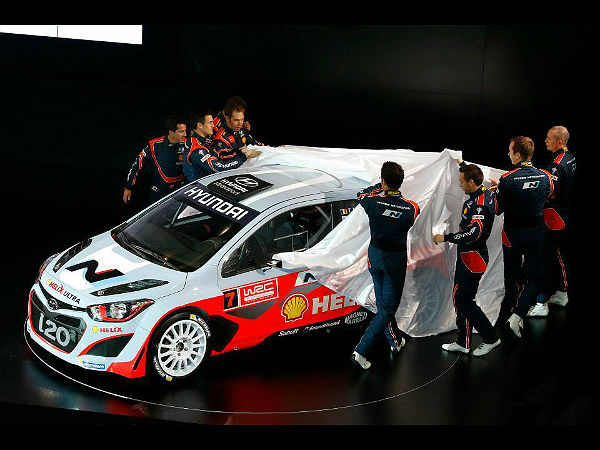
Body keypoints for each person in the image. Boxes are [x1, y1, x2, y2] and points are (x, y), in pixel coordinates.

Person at [351, 162, 420, 370]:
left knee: (383, 304)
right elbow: (409, 211)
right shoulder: (412, 208)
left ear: (383, 180)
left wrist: (379, 188)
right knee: (388, 308)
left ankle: (394, 341)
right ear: (401, 182)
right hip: (394, 261)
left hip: (375, 257)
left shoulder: (371, 201)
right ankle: (361, 350)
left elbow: (361, 194)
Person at [434, 160, 500, 356]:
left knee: (465, 301)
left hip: (473, 257)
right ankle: (463, 342)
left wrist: (446, 237)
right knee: (459, 298)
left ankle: (491, 338)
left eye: (462, 181)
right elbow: (479, 177)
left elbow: (474, 234)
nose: (460, 184)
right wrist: (462, 164)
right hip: (468, 255)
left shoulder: (480, 204)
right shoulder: (484, 193)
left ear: (472, 182)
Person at [489, 136, 553, 338]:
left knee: (511, 276)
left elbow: (497, 209)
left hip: (512, 234)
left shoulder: (507, 179)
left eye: (510, 150)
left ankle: (513, 314)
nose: (508, 154)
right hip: (536, 233)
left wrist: (497, 192)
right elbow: (548, 196)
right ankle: (518, 315)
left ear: (517, 154)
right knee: (534, 277)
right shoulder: (546, 176)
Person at [528, 126, 576, 316]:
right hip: (563, 212)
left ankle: (541, 303)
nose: (545, 141)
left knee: (544, 258)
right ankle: (563, 293)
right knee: (558, 255)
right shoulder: (570, 157)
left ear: (560, 142)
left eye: (549, 138)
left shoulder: (557, 164)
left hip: (553, 216)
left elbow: (548, 192)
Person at [123, 114, 187, 207]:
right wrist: (128, 187)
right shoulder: (154, 145)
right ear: (171, 132)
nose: (185, 134)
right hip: (159, 190)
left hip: (182, 189)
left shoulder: (188, 144)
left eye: (185, 131)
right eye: (181, 132)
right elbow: (137, 164)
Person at [183, 110, 254, 182]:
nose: (213, 125)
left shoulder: (202, 139)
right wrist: (244, 157)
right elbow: (219, 168)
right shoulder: (197, 148)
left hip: (207, 181)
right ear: (200, 125)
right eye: (210, 123)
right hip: (198, 185)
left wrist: (240, 152)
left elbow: (218, 156)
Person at [212, 96, 263, 161]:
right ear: (226, 118)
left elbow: (255, 143)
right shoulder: (216, 129)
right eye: (236, 120)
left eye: (242, 119)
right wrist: (244, 153)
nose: (240, 123)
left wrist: (270, 148)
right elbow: (222, 160)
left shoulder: (241, 128)